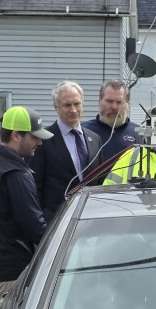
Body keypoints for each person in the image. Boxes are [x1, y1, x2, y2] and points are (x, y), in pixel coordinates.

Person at [0, 106, 53, 309]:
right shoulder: (15, 173)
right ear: (16, 135)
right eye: (34, 137)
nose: (39, 143)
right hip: (10, 271)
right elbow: (35, 226)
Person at [28, 81, 103, 220]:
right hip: (56, 220)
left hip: (90, 218)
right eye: (67, 105)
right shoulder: (42, 140)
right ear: (56, 107)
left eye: (77, 104)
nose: (73, 110)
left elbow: (100, 181)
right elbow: (34, 186)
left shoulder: (95, 139)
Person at [82, 80, 141, 161]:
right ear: (99, 102)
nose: (114, 107)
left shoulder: (140, 134)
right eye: (109, 101)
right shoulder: (83, 131)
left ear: (128, 104)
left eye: (119, 102)